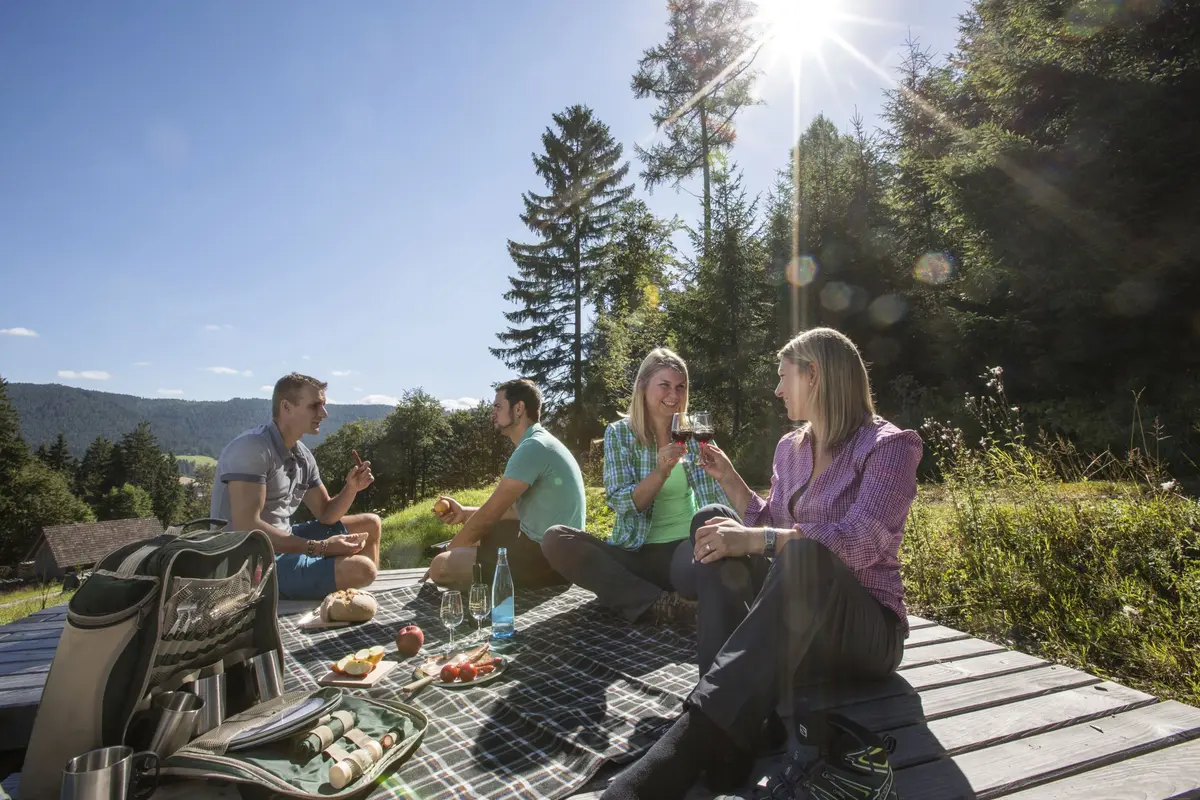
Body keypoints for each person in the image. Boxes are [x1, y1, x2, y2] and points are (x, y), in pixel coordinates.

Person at [602, 328, 923, 800]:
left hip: (863, 630)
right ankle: (735, 736)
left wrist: (755, 538)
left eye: (783, 377)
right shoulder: (790, 448)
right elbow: (770, 521)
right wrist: (731, 481)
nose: (777, 389)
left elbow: (859, 543)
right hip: (796, 624)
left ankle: (693, 744)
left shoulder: (888, 446)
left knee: (808, 557)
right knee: (712, 519)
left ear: (813, 376)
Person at [541, 348, 727, 625]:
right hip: (633, 552)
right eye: (664, 385)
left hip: (683, 548)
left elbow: (719, 500)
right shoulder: (619, 434)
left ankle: (640, 596)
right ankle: (659, 605)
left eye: (680, 387)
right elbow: (623, 503)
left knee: (704, 570)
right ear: (643, 386)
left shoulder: (694, 436)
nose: (674, 396)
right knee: (556, 539)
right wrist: (660, 472)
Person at [211, 373, 381, 601]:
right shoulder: (252, 449)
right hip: (247, 561)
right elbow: (247, 529)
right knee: (364, 570)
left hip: (282, 540)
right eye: (315, 406)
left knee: (371, 524)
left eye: (324, 405)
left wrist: (352, 488)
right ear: (286, 407)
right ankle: (347, 596)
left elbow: (326, 513)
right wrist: (320, 548)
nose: (324, 413)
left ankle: (352, 600)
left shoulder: (303, 456)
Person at [427, 378, 585, 589]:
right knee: (476, 540)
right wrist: (464, 513)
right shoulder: (539, 442)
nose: (493, 412)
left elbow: (489, 515)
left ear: (518, 408)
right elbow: (513, 510)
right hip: (560, 555)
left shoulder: (532, 447)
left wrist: (449, 552)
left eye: (498, 406)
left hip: (548, 561)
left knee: (440, 566)